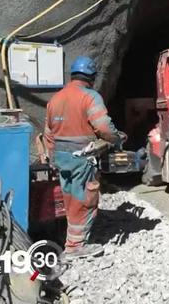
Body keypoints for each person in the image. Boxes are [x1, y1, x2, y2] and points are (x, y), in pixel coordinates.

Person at [44, 56, 124, 259]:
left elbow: (48, 133)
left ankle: (71, 238)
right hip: (82, 157)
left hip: (62, 157)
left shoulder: (55, 99)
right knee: (84, 199)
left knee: (70, 198)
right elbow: (104, 127)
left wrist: (53, 157)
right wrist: (116, 138)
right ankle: (75, 247)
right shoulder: (90, 96)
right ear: (92, 77)